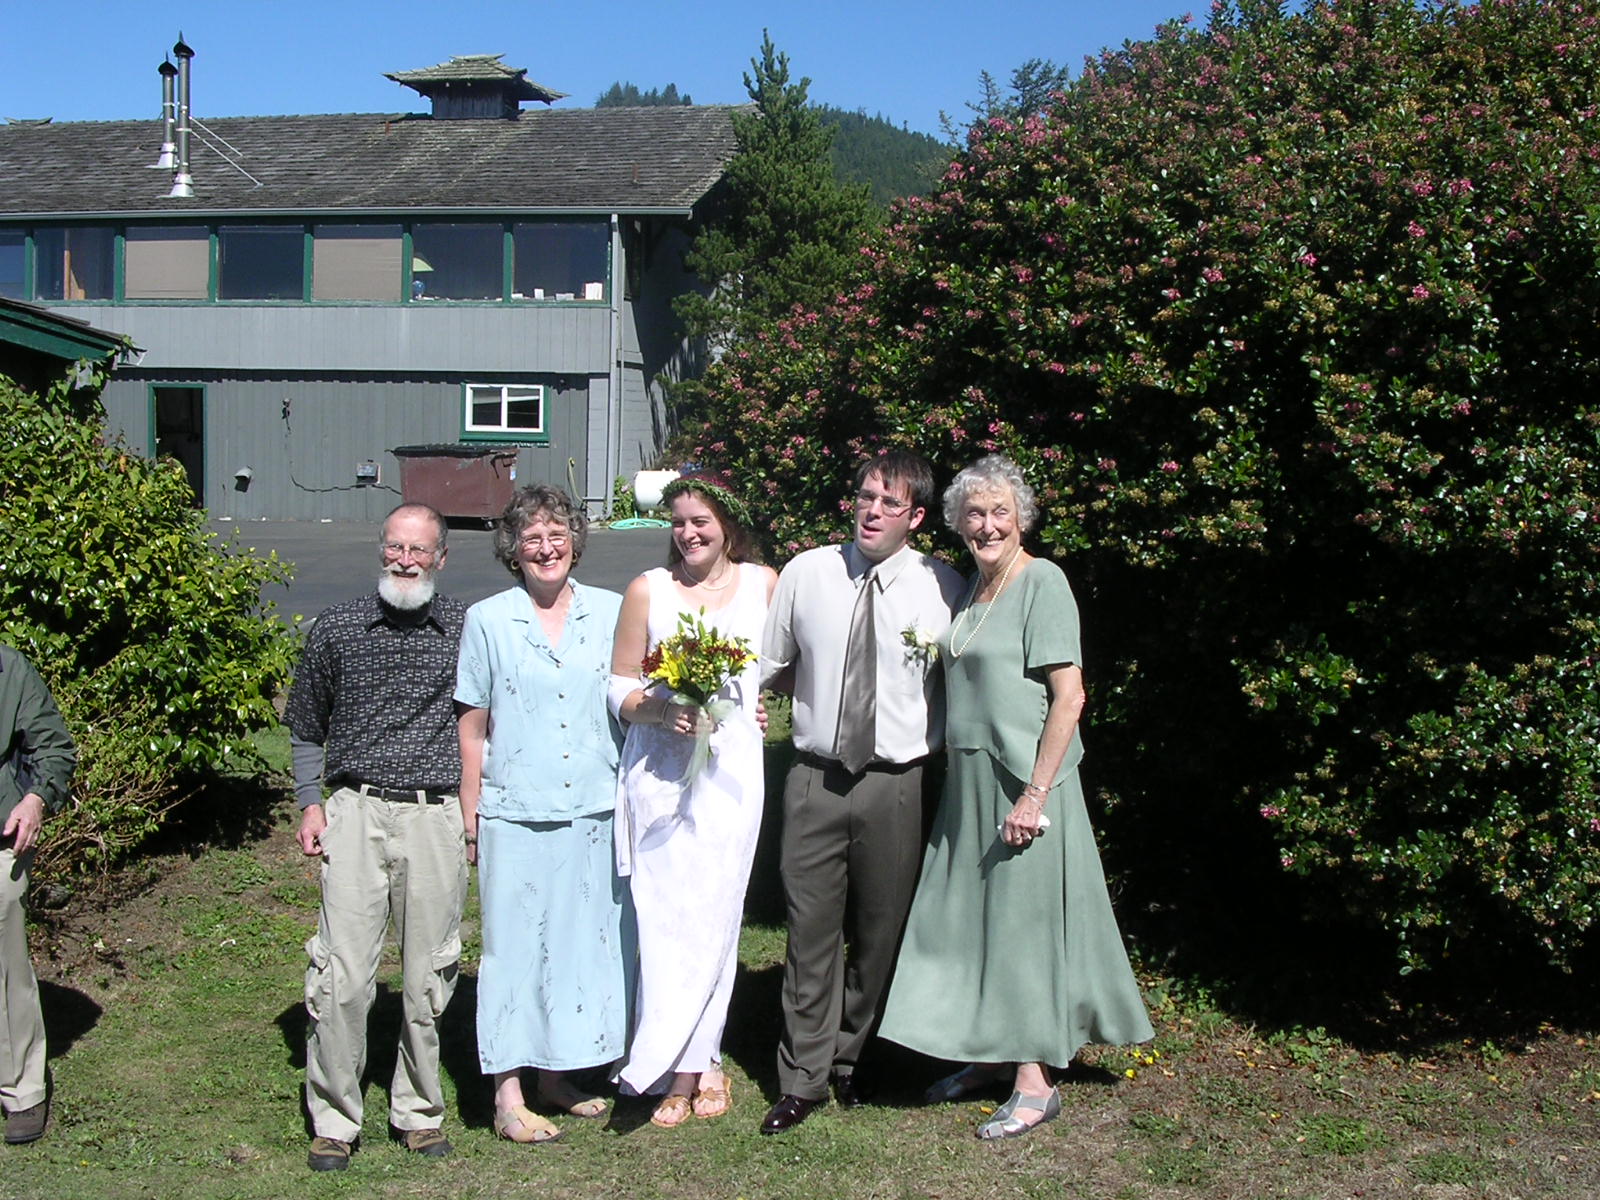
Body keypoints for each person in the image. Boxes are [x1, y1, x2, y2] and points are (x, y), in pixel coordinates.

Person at [878, 454, 1153, 1140]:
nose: (988, 525)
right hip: (969, 783)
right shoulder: (972, 590)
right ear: (958, 523)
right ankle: (991, 1054)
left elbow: (1071, 697)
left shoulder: (1043, 582)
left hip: (1024, 784)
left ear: (1021, 519)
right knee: (973, 923)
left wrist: (1034, 796)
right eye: (974, 513)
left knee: (1023, 932)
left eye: (1001, 511)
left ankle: (1034, 1081)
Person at [756, 450, 964, 1135]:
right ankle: (803, 1078)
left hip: (895, 785)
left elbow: (964, 683)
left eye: (889, 502)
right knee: (809, 932)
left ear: (917, 517)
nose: (872, 511)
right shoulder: (807, 573)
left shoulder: (944, 586)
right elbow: (769, 666)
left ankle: (853, 1056)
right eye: (865, 496)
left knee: (880, 934)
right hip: (814, 779)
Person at [284, 503, 468, 1171]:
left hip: (435, 817)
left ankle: (418, 1111)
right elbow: (306, 724)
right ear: (380, 549)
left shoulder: (467, 631)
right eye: (395, 547)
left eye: (419, 550)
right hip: (354, 813)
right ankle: (335, 1119)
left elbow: (490, 725)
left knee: (427, 976)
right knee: (341, 977)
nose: (405, 560)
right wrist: (310, 804)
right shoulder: (336, 628)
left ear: (441, 557)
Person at [455, 485, 631, 1146]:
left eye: (557, 534)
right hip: (515, 810)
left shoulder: (612, 612)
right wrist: (471, 811)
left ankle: (557, 1075)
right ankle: (507, 1096)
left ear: (575, 542)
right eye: (532, 537)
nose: (546, 547)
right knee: (513, 951)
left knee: (581, 947)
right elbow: (473, 726)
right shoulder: (488, 620)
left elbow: (636, 696)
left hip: (594, 805)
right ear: (513, 549)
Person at [608, 473, 777, 1128]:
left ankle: (697, 1063)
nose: (688, 533)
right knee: (665, 918)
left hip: (733, 774)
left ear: (726, 524)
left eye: (700, 520)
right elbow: (618, 685)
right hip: (661, 772)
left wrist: (763, 698)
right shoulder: (647, 589)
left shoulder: (764, 584)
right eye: (678, 522)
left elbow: (786, 661)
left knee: (718, 913)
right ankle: (665, 1057)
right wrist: (659, 710)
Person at [0, 647, 75, 1146]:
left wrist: (34, 799)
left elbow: (54, 748)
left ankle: (22, 1090)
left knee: (3, 957)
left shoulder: (10, 669)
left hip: (1, 833)